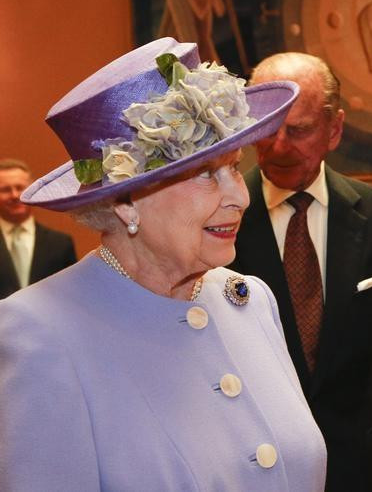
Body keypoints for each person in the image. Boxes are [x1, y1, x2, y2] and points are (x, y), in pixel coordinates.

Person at [0, 37, 326, 490]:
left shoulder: (249, 301)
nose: (240, 196)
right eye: (204, 175)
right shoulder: (39, 331)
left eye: (233, 167)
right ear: (126, 202)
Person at [230, 52, 372, 492]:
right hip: (248, 459)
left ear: (335, 129)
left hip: (353, 459)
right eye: (267, 128)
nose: (279, 145)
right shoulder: (220, 217)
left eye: (300, 130)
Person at [0, 158, 76, 298]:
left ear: (31, 191)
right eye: (5, 190)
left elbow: (70, 295)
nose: (14, 195)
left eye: (20, 188)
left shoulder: (61, 244)